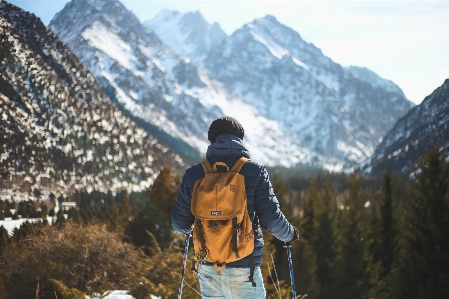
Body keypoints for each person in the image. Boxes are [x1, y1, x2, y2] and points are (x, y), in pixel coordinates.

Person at [172, 116, 299, 299]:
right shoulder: (255, 171)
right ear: (239, 139)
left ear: (212, 140)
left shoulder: (194, 174)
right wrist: (289, 235)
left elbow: (179, 225)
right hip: (244, 267)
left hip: (208, 267)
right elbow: (271, 218)